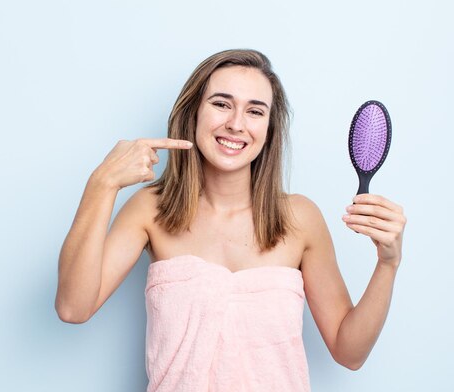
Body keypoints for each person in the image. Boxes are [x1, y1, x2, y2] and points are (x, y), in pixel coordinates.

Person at [55, 49, 407, 391]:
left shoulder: (300, 218)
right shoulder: (151, 208)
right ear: (193, 113)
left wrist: (388, 264)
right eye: (221, 104)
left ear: (269, 129)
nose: (236, 124)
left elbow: (350, 353)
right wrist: (102, 184)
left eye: (255, 111)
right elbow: (73, 307)